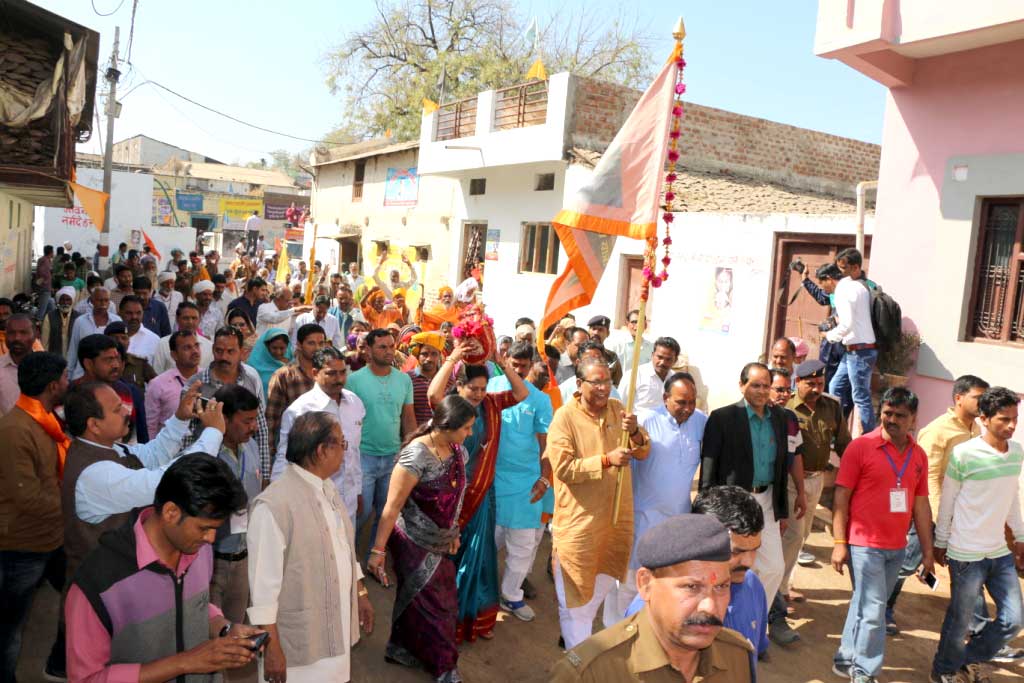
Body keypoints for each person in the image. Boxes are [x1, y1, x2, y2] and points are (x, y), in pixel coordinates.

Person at [65, 455, 263, 682]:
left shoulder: (199, 550)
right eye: (204, 528)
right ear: (171, 512)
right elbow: (86, 679)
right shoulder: (97, 582)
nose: (211, 539)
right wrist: (185, 662)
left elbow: (194, 605)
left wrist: (224, 628)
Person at [551, 513, 753, 683]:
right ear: (645, 584)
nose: (710, 607)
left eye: (721, 587)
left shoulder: (736, 655)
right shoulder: (590, 674)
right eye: (692, 587)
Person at [249, 412, 373, 683]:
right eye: (341, 443)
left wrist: (360, 591)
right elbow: (263, 589)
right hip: (299, 644)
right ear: (321, 450)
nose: (345, 451)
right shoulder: (273, 506)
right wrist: (272, 648)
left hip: (335, 627)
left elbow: (344, 550)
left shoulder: (328, 490)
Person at [367, 395, 476, 683]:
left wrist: (453, 532)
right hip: (411, 541)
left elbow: (457, 497)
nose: (470, 434)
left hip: (441, 541)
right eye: (466, 428)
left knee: (420, 601)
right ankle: (445, 668)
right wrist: (378, 551)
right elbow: (392, 507)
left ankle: (402, 649)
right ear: (447, 425)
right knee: (438, 606)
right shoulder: (416, 455)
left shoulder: (458, 452)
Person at [426, 342, 528, 641]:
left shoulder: (492, 406)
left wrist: (502, 362)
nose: (479, 394)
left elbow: (521, 393)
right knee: (448, 557)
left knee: (478, 556)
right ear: (458, 386)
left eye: (483, 388)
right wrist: (453, 358)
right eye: (473, 388)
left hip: (481, 493)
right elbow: (433, 395)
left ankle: (472, 619)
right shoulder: (450, 408)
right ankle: (444, 619)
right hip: (449, 496)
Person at [831, 387, 934, 683]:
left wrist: (927, 552)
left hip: (897, 546)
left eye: (900, 415)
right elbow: (841, 497)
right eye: (887, 413)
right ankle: (865, 672)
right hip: (864, 544)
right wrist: (839, 543)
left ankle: (845, 658)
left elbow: (921, 505)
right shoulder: (860, 447)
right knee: (875, 609)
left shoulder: (918, 455)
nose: (892, 419)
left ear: (913, 418)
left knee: (864, 604)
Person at [548, 356, 650, 649]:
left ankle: (580, 647)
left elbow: (644, 451)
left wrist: (634, 432)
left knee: (594, 598)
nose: (604, 387)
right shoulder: (564, 418)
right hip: (579, 527)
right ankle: (578, 661)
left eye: (607, 381)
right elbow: (564, 469)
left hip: (613, 524)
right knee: (574, 604)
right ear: (579, 384)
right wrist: (606, 460)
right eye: (597, 382)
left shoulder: (618, 409)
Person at [931, 387, 1024, 683]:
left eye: (1015, 418)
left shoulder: (1016, 452)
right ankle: (943, 670)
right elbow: (948, 501)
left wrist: (1020, 536)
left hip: (999, 552)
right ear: (984, 418)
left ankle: (964, 659)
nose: (1011, 425)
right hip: (965, 554)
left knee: (1014, 619)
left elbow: (1012, 496)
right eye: (1004, 419)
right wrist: (940, 542)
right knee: (959, 620)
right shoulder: (964, 454)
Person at [887, 374, 991, 636]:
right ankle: (882, 608)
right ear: (959, 398)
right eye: (978, 397)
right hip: (931, 513)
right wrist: (935, 518)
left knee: (970, 569)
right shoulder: (938, 431)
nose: (983, 403)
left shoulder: (975, 430)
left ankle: (979, 629)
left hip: (963, 516)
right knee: (906, 563)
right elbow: (927, 476)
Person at [624, 486, 769, 663]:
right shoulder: (649, 609)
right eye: (736, 552)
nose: (749, 562)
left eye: (755, 550)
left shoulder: (752, 584)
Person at [182, 384, 262, 681]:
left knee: (234, 631)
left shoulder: (251, 447)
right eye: (246, 421)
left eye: (255, 419)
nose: (253, 427)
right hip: (210, 560)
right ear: (224, 419)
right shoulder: (205, 454)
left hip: (242, 557)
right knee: (207, 634)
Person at [0, 352, 69, 683]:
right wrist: (74, 504)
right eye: (65, 378)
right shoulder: (16, 430)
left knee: (78, 597)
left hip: (52, 537)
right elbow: (27, 496)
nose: (69, 383)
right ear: (53, 386)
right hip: (22, 545)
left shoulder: (45, 419)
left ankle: (60, 661)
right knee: (10, 628)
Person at [700, 362, 791, 606]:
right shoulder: (723, 418)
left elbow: (782, 465)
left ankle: (755, 616)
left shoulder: (779, 418)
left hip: (767, 500)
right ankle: (725, 613)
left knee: (773, 568)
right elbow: (709, 468)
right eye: (756, 385)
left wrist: (782, 509)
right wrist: (708, 512)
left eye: (766, 386)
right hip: (734, 503)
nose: (762, 391)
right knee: (729, 566)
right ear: (741, 386)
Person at [617, 371, 707, 612]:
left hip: (677, 519)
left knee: (667, 578)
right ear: (666, 398)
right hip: (643, 517)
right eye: (681, 402)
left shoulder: (700, 421)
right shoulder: (646, 421)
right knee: (632, 582)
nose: (688, 408)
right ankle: (618, 626)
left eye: (692, 402)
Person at [488, 344, 554, 623]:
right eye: (513, 364)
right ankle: (478, 589)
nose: (518, 370)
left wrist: (544, 478)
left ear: (531, 367)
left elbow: (547, 444)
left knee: (523, 545)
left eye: (523, 366)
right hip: (491, 478)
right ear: (505, 360)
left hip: (526, 482)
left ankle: (511, 595)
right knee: (486, 541)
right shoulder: (491, 386)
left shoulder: (540, 400)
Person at [780, 360, 851, 604]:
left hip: (817, 479)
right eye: (810, 384)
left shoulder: (831, 407)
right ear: (798, 381)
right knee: (793, 535)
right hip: (791, 480)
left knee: (804, 534)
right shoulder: (787, 407)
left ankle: (785, 584)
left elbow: (844, 444)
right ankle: (778, 592)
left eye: (820, 384)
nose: (816, 389)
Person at [272, 347, 365, 524]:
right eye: (332, 373)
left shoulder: (355, 403)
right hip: (314, 503)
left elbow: (354, 452)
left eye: (342, 372)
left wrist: (358, 490)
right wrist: (277, 498)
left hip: (349, 502)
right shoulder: (300, 411)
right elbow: (284, 458)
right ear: (315, 373)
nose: (339, 379)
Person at [347, 328, 416, 544]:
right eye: (382, 347)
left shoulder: (404, 380)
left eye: (391, 346)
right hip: (363, 457)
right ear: (368, 350)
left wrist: (412, 452)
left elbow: (408, 418)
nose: (389, 351)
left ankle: (373, 556)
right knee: (362, 512)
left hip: (393, 458)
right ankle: (347, 553)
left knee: (387, 513)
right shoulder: (354, 380)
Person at [184, 326, 271, 481]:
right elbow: (186, 433)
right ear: (212, 350)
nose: (224, 356)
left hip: (245, 463)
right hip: (207, 468)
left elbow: (261, 429)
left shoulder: (251, 380)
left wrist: (264, 475)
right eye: (219, 351)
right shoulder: (196, 385)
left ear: (242, 352)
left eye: (231, 351)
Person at [826, 247, 878, 433]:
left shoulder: (846, 288)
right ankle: (837, 431)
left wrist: (830, 336)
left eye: (843, 268)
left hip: (859, 350)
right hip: (857, 349)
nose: (839, 272)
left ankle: (870, 438)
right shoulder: (861, 286)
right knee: (835, 387)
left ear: (855, 267)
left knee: (860, 397)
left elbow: (846, 324)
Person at [77, 333, 150, 444]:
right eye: (108, 360)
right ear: (89, 364)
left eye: (116, 359)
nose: (116, 365)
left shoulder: (124, 391)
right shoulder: (71, 394)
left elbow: (131, 437)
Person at [265, 323, 326, 452]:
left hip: (323, 449)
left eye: (321, 343)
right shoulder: (284, 376)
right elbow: (271, 419)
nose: (317, 348)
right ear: (299, 344)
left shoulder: (327, 373)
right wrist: (269, 453)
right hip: (293, 450)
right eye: (311, 343)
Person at [146, 330, 204, 438]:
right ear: (174, 355)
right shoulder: (158, 384)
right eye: (187, 348)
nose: (195, 351)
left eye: (196, 345)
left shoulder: (208, 379)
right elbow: (150, 426)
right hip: (169, 445)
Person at [67, 287, 121, 379]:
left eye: (106, 300)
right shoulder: (80, 322)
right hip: (82, 375)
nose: (103, 304)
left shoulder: (116, 321)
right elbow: (73, 350)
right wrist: (69, 375)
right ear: (92, 301)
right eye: (100, 300)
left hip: (107, 376)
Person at [618, 336, 681, 411]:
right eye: (660, 357)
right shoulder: (634, 375)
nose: (663, 362)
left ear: (675, 360)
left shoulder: (676, 380)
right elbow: (620, 405)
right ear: (652, 355)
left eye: (668, 359)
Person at [152, 301, 215, 373]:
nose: (190, 322)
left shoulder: (209, 346)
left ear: (199, 320)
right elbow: (157, 372)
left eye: (194, 318)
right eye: (186, 318)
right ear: (177, 319)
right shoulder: (163, 344)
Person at [407, 331, 451, 426]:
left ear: (439, 355)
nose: (429, 359)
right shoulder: (407, 379)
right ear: (417, 355)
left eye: (434, 354)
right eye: (425, 354)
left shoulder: (447, 379)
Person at [559, 340, 622, 406]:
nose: (594, 364)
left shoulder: (612, 392)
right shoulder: (564, 390)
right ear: (578, 363)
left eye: (598, 360)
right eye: (589, 360)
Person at [0, 314, 39, 415]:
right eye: (11, 333)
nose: (17, 338)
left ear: (35, 334)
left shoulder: (48, 367)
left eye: (23, 333)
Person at [104, 321, 157, 393]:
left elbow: (159, 385)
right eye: (115, 338)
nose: (120, 342)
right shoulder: (100, 363)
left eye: (124, 338)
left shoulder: (140, 364)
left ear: (129, 342)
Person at [606, 308, 654, 375]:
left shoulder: (651, 348)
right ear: (627, 324)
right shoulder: (617, 345)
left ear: (645, 325)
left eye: (641, 322)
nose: (637, 325)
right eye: (634, 322)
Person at [248, 328, 293, 397]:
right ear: (267, 346)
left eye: (282, 348)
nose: (278, 352)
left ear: (287, 347)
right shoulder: (254, 365)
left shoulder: (294, 364)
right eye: (274, 348)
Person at [117, 294, 160, 366]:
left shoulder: (154, 340)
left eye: (138, 313)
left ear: (143, 312)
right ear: (120, 313)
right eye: (129, 313)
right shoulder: (110, 336)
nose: (134, 317)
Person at [41, 286, 81, 357]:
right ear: (58, 301)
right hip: (54, 357)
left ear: (72, 301)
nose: (65, 303)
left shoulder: (78, 317)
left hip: (73, 357)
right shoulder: (50, 316)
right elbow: (45, 341)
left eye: (68, 300)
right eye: (62, 299)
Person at [585, 315, 623, 385]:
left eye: (600, 330)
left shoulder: (612, 358)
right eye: (593, 329)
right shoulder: (580, 353)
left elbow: (617, 383)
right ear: (588, 331)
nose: (596, 333)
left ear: (608, 333)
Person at [35, 244, 55, 320]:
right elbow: (43, 274)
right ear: (51, 252)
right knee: (42, 308)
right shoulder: (45, 261)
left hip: (46, 287)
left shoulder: (44, 260)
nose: (54, 253)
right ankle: (39, 320)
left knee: (51, 304)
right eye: (53, 252)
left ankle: (50, 319)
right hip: (45, 288)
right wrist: (45, 283)